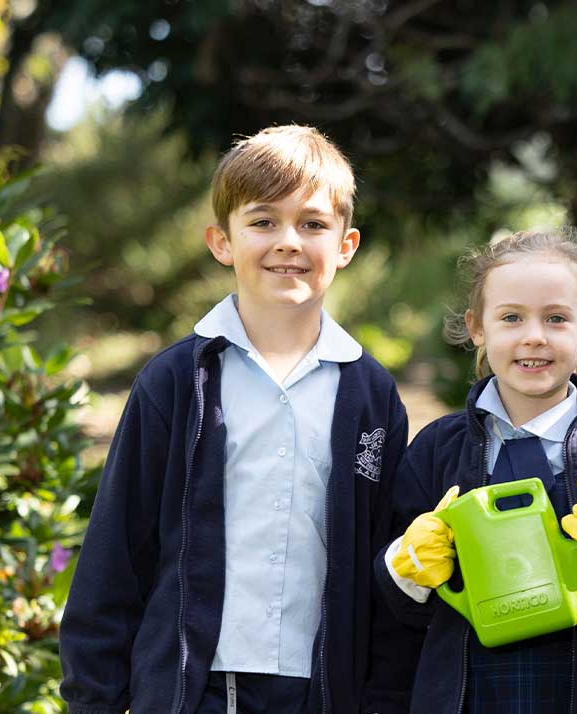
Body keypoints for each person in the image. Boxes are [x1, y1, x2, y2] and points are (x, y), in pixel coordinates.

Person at [60, 125, 415, 714]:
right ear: (222, 242)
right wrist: (93, 698)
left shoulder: (372, 395)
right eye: (263, 222)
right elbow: (116, 549)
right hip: (195, 690)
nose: (288, 242)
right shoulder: (174, 382)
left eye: (312, 224)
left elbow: (386, 561)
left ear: (346, 245)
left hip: (324, 690)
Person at [375, 229, 577, 712]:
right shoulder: (436, 450)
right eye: (510, 317)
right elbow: (396, 612)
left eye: (556, 318)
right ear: (477, 328)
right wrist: (407, 567)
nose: (533, 336)